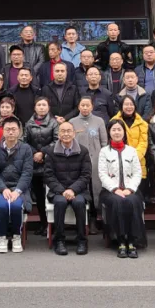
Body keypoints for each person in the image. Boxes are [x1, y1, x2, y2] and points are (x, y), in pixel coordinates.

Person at [97, 120, 145, 258]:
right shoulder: (104, 152)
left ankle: (132, 241)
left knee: (132, 201)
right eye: (114, 130)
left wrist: (129, 189)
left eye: (119, 129)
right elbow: (102, 173)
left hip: (130, 190)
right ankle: (121, 241)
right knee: (118, 201)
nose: (116, 132)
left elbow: (137, 173)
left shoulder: (131, 151)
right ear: (109, 132)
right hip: (110, 191)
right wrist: (115, 189)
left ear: (124, 132)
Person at [43, 121, 91, 255]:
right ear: (58, 134)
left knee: (79, 202)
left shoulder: (83, 151)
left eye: (69, 131)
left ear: (74, 133)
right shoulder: (51, 152)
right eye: (63, 131)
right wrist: (62, 191)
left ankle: (82, 240)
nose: (66, 134)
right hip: (58, 191)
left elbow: (86, 175)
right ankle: (59, 240)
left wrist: (72, 190)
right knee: (60, 202)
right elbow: (49, 176)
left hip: (78, 190)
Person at [0, 116, 33, 253]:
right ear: (3, 131)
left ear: (19, 131)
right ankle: (2, 237)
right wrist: (3, 189)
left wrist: (18, 190)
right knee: (2, 206)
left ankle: (16, 236)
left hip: (20, 188)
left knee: (16, 206)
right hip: (1, 188)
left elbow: (27, 173)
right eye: (8, 129)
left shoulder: (26, 149)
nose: (11, 132)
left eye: (14, 129)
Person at [68, 93, 107, 233]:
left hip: (96, 159)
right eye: (82, 105)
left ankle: (96, 218)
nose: (85, 108)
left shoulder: (99, 121)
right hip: (79, 161)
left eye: (87, 105)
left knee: (95, 188)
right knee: (83, 187)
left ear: (92, 107)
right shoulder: (72, 122)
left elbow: (104, 142)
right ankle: (85, 218)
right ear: (79, 106)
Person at [24, 95, 58, 235]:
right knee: (38, 196)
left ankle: (52, 225)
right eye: (39, 105)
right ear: (35, 108)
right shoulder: (29, 123)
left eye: (44, 105)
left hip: (50, 162)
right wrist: (34, 153)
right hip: (34, 163)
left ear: (48, 107)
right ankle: (43, 223)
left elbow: (57, 140)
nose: (42, 108)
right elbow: (24, 141)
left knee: (50, 195)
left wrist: (42, 153)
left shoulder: (54, 123)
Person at [109, 95, 149, 185]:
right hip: (119, 162)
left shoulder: (143, 124)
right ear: (121, 106)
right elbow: (112, 141)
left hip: (138, 162)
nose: (129, 107)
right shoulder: (113, 121)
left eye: (131, 104)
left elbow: (143, 143)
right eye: (126, 104)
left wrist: (133, 157)